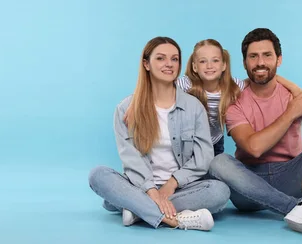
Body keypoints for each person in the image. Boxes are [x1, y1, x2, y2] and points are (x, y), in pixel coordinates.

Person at [208, 28, 302, 238]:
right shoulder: (233, 100)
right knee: (218, 162)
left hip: (292, 177)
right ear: (244, 62)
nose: (260, 62)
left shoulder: (296, 95)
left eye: (267, 55)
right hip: (249, 186)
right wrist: (291, 113)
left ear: (279, 59)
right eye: (253, 56)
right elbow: (254, 148)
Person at [88, 36, 231, 231]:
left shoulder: (194, 106)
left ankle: (135, 209)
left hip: (182, 188)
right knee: (98, 175)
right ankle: (175, 220)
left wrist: (172, 183)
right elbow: (131, 159)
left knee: (219, 192)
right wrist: (152, 191)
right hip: (140, 185)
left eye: (174, 59)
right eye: (161, 58)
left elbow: (203, 157)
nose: (169, 64)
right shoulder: (125, 109)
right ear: (146, 64)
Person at [176, 39, 302, 156]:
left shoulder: (233, 86)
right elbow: (162, 90)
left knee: (214, 175)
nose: (209, 66)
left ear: (223, 65)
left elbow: (263, 79)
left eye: (215, 60)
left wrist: (295, 89)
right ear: (194, 67)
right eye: (203, 61)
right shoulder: (186, 84)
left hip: (214, 143)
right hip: (187, 142)